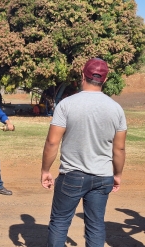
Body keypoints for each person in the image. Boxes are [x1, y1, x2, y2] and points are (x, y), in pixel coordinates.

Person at [40, 58, 127, 246]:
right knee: (95, 225)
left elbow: (52, 142)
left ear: (82, 75)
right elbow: (119, 148)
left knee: (60, 222)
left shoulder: (66, 104)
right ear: (104, 79)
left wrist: (46, 170)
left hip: (72, 175)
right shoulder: (116, 109)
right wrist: (117, 174)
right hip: (103, 176)